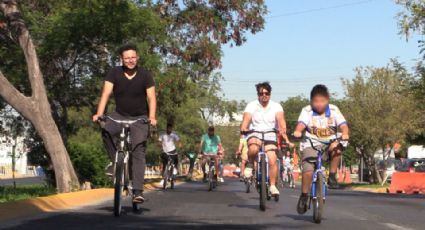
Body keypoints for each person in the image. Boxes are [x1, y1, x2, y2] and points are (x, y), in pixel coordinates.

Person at [92, 43, 157, 203]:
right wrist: (99, 114)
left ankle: (137, 192)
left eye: (133, 57)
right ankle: (116, 161)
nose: (130, 61)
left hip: (139, 118)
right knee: (106, 129)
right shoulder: (114, 72)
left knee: (138, 150)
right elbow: (106, 93)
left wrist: (152, 116)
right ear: (121, 59)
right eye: (127, 58)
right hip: (118, 115)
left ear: (137, 57)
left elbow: (151, 97)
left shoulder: (145, 74)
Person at [293, 84, 349, 214]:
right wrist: (297, 131)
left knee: (338, 149)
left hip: (329, 142)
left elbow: (343, 125)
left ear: (328, 100)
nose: (319, 104)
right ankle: (304, 195)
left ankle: (333, 175)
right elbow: (301, 124)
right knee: (308, 171)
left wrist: (345, 133)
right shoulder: (307, 111)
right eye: (316, 101)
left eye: (322, 101)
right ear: (311, 101)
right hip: (311, 143)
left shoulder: (334, 110)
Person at [240, 82, 291, 197]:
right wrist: (244, 127)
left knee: (273, 159)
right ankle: (250, 165)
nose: (264, 95)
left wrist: (283, 129)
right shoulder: (251, 105)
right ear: (257, 94)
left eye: (266, 93)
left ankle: (272, 185)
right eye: (261, 93)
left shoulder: (276, 106)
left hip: (270, 135)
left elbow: (281, 119)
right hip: (255, 133)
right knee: (253, 149)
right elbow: (246, 119)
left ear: (270, 94)